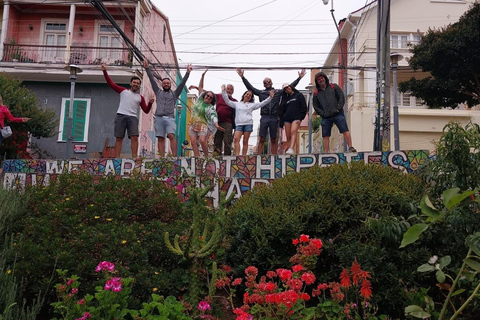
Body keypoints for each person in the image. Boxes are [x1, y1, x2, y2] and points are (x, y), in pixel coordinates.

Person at [236, 68, 306, 155]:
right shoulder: (261, 92)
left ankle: (273, 156)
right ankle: (259, 156)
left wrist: (299, 78)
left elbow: (289, 87)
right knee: (261, 138)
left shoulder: (277, 92)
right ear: (264, 84)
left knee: (273, 138)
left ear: (271, 83)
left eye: (269, 81)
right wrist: (243, 77)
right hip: (264, 117)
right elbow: (250, 88)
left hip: (274, 117)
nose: (267, 83)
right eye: (265, 82)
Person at [102, 62, 154, 158]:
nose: (136, 84)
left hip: (133, 118)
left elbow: (146, 110)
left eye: (138, 83)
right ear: (130, 83)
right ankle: (117, 158)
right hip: (121, 115)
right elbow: (111, 84)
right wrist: (105, 71)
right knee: (119, 138)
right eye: (134, 83)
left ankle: (134, 157)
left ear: (139, 86)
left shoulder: (140, 97)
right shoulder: (123, 91)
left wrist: (150, 103)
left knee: (134, 137)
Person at [143, 59, 192, 157]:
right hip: (159, 118)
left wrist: (187, 73)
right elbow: (152, 80)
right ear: (162, 84)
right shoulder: (158, 92)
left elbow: (182, 84)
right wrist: (147, 68)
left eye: (168, 83)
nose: (166, 84)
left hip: (170, 118)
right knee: (160, 138)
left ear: (170, 85)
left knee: (171, 135)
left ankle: (174, 156)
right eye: (164, 83)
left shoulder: (175, 94)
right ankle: (161, 157)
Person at [221, 84, 274, 156]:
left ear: (251, 98)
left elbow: (262, 103)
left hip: (248, 124)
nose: (248, 96)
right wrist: (223, 91)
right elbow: (227, 101)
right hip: (239, 124)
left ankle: (243, 156)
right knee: (236, 139)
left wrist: (270, 98)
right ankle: (237, 155)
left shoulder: (251, 105)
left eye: (250, 95)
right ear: (244, 95)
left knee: (245, 141)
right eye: (247, 94)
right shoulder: (237, 104)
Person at [193, 70, 236, 156]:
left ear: (233, 92)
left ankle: (227, 159)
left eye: (231, 90)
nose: (229, 90)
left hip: (228, 123)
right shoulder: (219, 96)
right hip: (217, 122)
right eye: (228, 89)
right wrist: (197, 87)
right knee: (217, 142)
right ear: (225, 89)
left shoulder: (234, 101)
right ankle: (217, 159)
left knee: (227, 141)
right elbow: (208, 94)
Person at [312, 72, 356, 153]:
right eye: (318, 79)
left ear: (325, 78)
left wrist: (338, 109)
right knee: (325, 135)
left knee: (344, 129)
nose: (321, 80)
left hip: (338, 114)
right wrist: (323, 114)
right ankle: (325, 153)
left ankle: (350, 147)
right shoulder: (316, 94)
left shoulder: (334, 87)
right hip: (326, 117)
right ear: (317, 82)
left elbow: (341, 96)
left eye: (322, 78)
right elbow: (316, 106)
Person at [187, 89, 224, 157]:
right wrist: (202, 77)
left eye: (211, 97)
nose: (208, 97)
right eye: (208, 95)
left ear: (212, 100)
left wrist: (216, 125)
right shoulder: (199, 100)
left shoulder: (210, 107)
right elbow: (201, 87)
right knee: (193, 142)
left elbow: (214, 116)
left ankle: (206, 156)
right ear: (205, 95)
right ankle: (197, 157)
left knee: (202, 140)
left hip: (202, 125)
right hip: (193, 123)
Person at [278, 83, 307, 155]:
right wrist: (281, 123)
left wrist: (301, 118)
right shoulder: (285, 99)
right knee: (288, 135)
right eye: (285, 89)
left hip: (296, 118)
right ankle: (289, 150)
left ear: (291, 87)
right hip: (287, 119)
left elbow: (304, 107)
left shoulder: (299, 95)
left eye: (288, 87)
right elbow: (282, 111)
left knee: (293, 131)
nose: (287, 89)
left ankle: (291, 148)